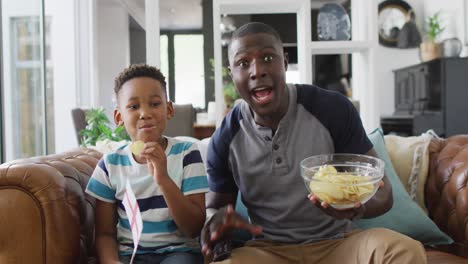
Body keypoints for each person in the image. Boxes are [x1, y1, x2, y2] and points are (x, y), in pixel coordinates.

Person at [201, 22, 427, 264]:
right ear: (231, 73)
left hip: (339, 243)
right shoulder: (225, 137)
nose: (257, 71)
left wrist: (357, 208)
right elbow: (216, 208)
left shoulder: (331, 109)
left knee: (405, 251)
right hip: (268, 251)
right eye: (243, 63)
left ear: (285, 62)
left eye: (268, 57)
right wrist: (216, 223)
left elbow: (384, 193)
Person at [85, 64, 208, 264]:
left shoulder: (187, 154)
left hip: (179, 253)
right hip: (130, 256)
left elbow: (193, 227)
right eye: (133, 107)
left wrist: (163, 179)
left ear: (169, 109)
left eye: (154, 103)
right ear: (119, 117)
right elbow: (105, 234)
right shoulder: (110, 165)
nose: (145, 113)